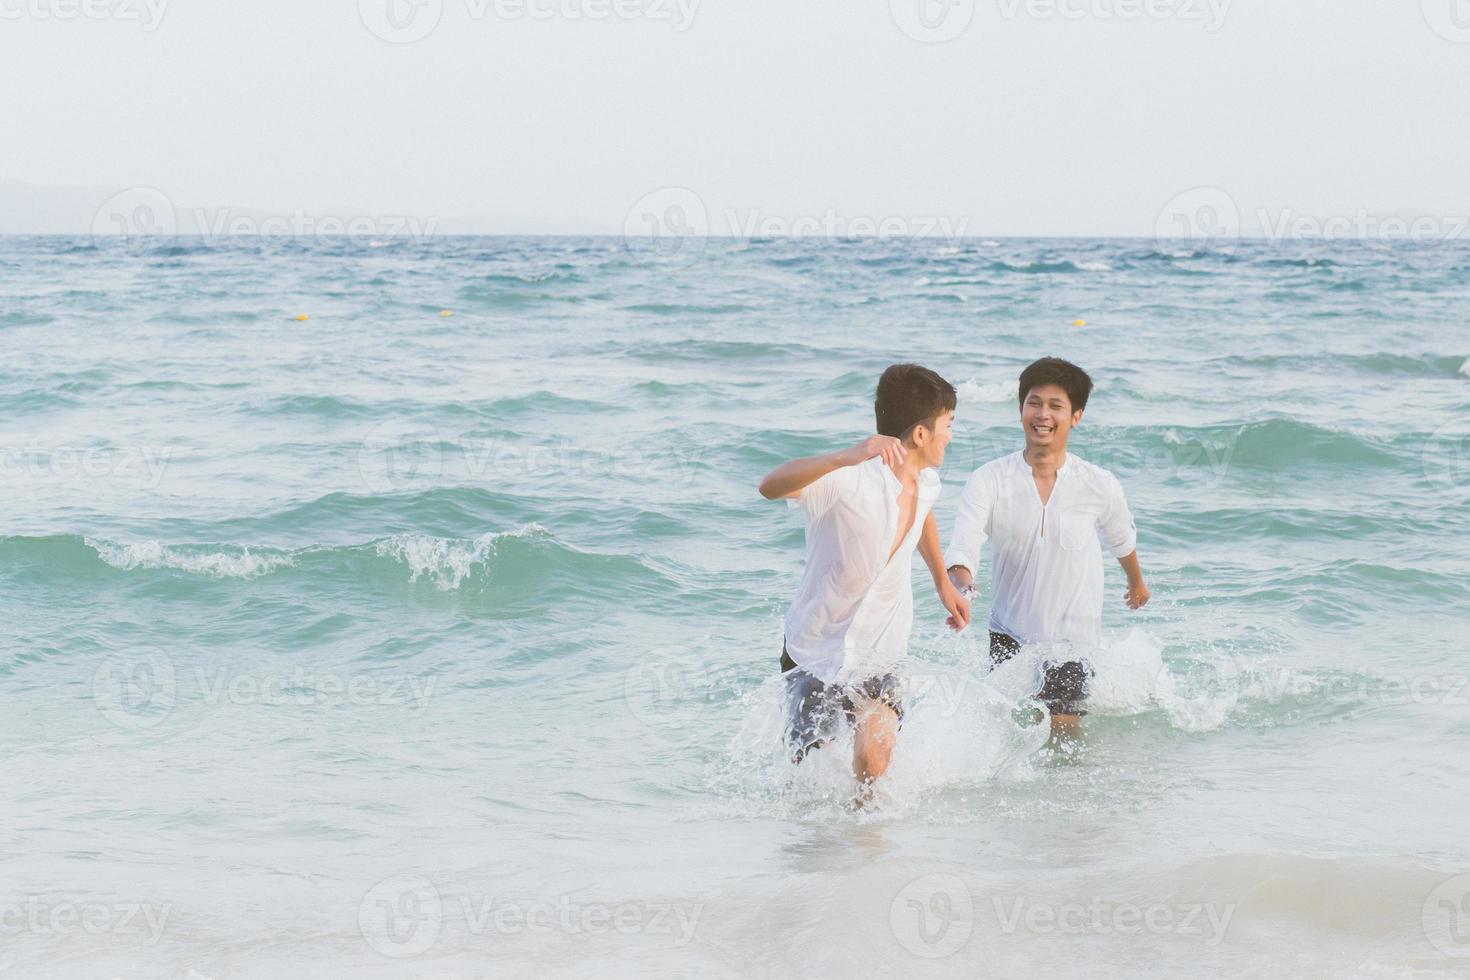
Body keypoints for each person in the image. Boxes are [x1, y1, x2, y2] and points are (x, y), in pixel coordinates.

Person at [759, 364, 970, 787]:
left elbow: (921, 517)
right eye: (948, 425)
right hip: (816, 651)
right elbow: (770, 486)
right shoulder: (846, 481)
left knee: (875, 765)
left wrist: (941, 582)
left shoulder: (927, 482)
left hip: (881, 648)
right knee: (809, 779)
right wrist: (845, 455)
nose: (952, 434)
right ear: (921, 434)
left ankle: (866, 848)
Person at [944, 357, 1150, 737]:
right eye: (1034, 403)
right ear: (1021, 410)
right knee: (1010, 729)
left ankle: (1071, 792)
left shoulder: (1097, 483)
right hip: (1008, 632)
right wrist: (961, 583)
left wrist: (1136, 583)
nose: (1043, 414)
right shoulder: (989, 479)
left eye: (1056, 406)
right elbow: (965, 542)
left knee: (1062, 727)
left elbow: (1121, 537)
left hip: (1072, 640)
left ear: (1076, 417)